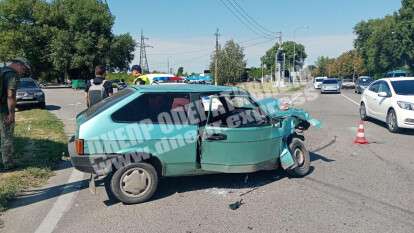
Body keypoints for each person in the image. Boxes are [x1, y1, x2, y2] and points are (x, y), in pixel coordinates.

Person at [0, 58, 31, 170]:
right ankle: (8, 164)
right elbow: (10, 95)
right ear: (17, 64)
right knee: (6, 137)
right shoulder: (12, 75)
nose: (23, 71)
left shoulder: (1, 71)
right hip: (3, 110)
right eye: (24, 68)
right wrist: (11, 114)